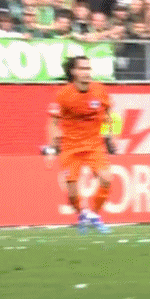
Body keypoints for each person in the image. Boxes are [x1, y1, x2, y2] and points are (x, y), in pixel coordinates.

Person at [45, 56, 114, 235]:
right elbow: (53, 123)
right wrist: (51, 148)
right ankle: (82, 214)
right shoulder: (63, 95)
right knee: (73, 193)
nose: (86, 72)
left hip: (94, 146)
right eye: (82, 69)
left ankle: (94, 215)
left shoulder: (99, 90)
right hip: (71, 147)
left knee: (107, 178)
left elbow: (109, 115)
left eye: (88, 68)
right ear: (73, 72)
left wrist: (109, 135)